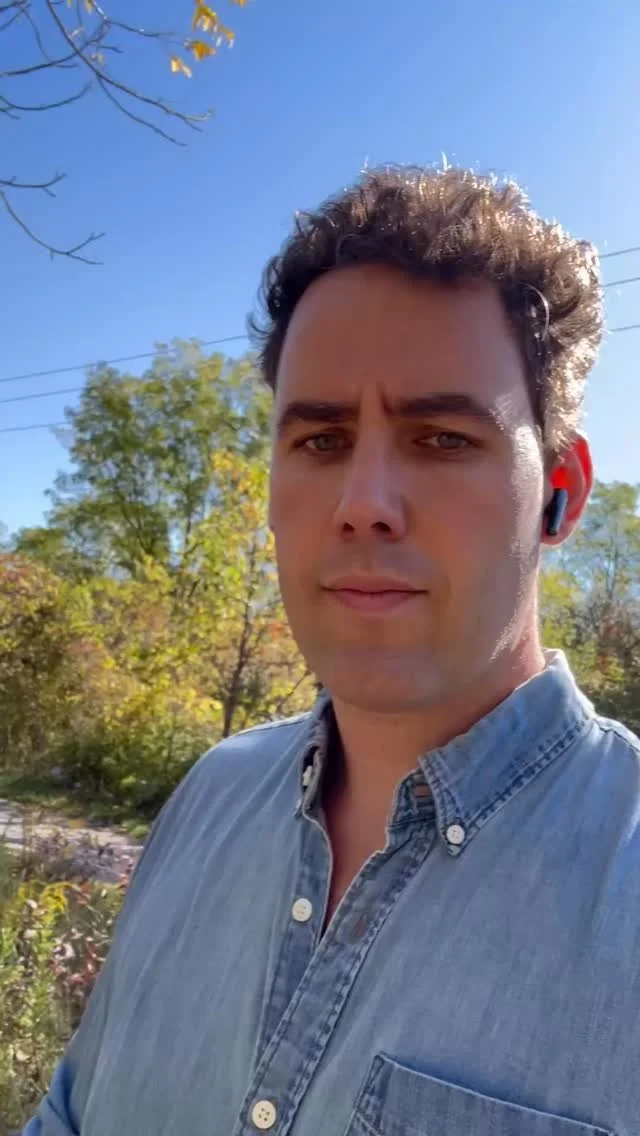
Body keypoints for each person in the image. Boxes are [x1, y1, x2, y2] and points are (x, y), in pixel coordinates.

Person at [25, 166, 640, 1136]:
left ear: (561, 491)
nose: (362, 503)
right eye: (319, 441)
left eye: (442, 437)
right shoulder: (210, 793)